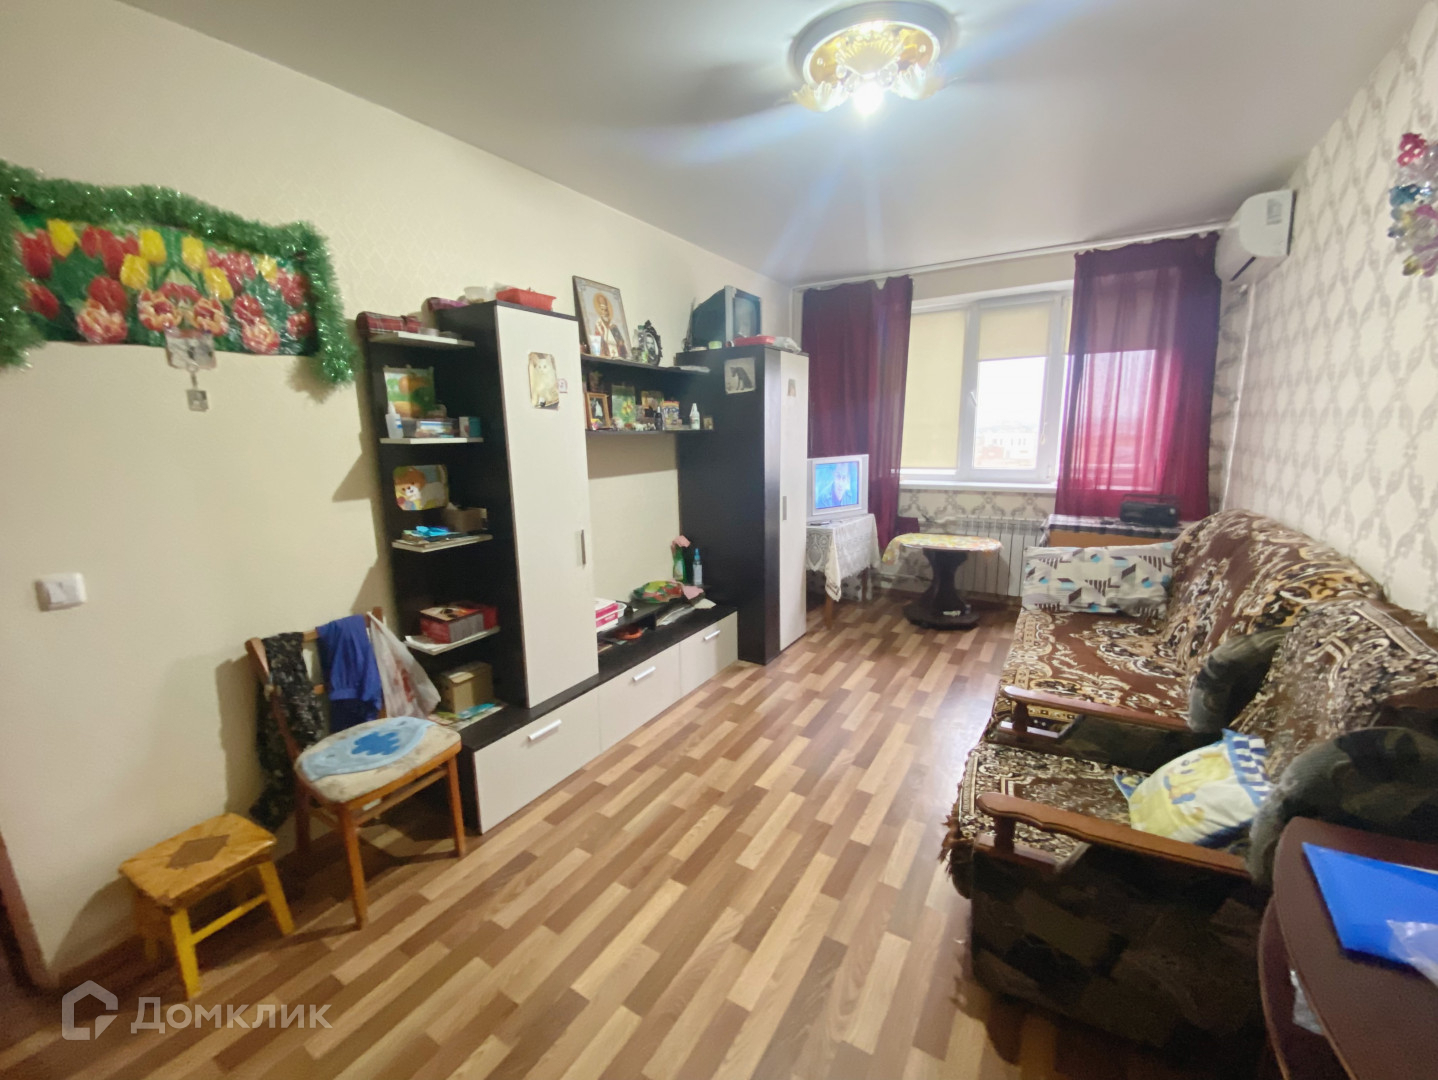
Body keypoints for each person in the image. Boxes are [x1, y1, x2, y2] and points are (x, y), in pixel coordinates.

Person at [591, 293, 629, 359]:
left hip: (616, 354)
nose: (604, 312)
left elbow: (621, 344)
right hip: (604, 352)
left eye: (606, 310)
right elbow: (597, 341)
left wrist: (620, 342)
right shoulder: (598, 324)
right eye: (602, 310)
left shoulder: (613, 326)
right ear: (600, 311)